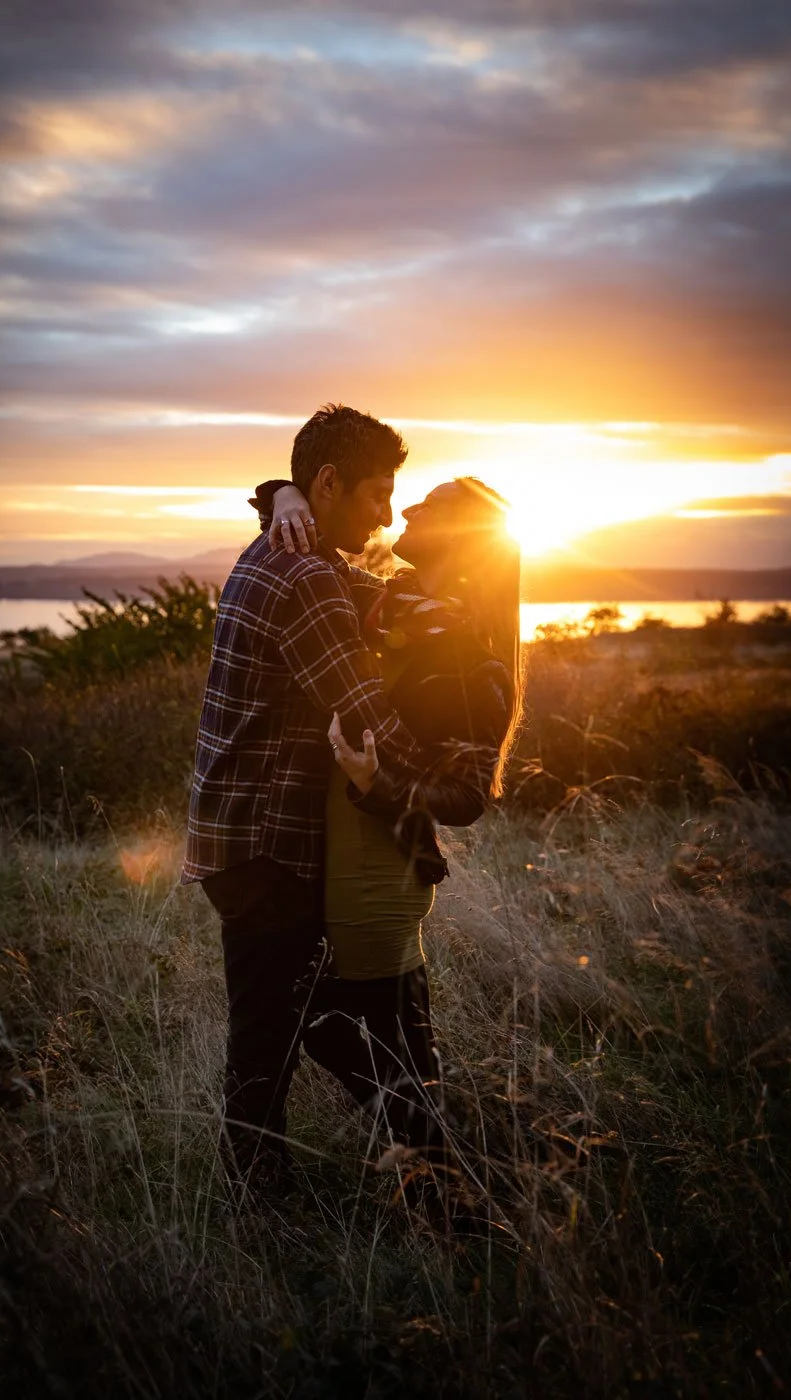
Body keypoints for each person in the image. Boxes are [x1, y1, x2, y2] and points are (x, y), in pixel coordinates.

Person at [256, 473, 522, 1211]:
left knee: (332, 1026)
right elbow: (306, 540)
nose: (405, 509)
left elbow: (466, 798)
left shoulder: (468, 652)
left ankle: (458, 1186)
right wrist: (283, 492)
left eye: (428, 507)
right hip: (347, 861)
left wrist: (376, 785)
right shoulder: (394, 605)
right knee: (402, 1044)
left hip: (379, 872)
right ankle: (459, 1191)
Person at [182, 403, 428, 1195]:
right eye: (377, 495)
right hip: (264, 843)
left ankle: (422, 1149)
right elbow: (366, 715)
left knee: (297, 1024)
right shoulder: (306, 577)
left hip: (243, 836)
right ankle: (276, 1201)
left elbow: (372, 588)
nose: (388, 516)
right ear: (327, 484)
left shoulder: (285, 550)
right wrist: (450, 773)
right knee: (276, 1035)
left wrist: (275, 494)